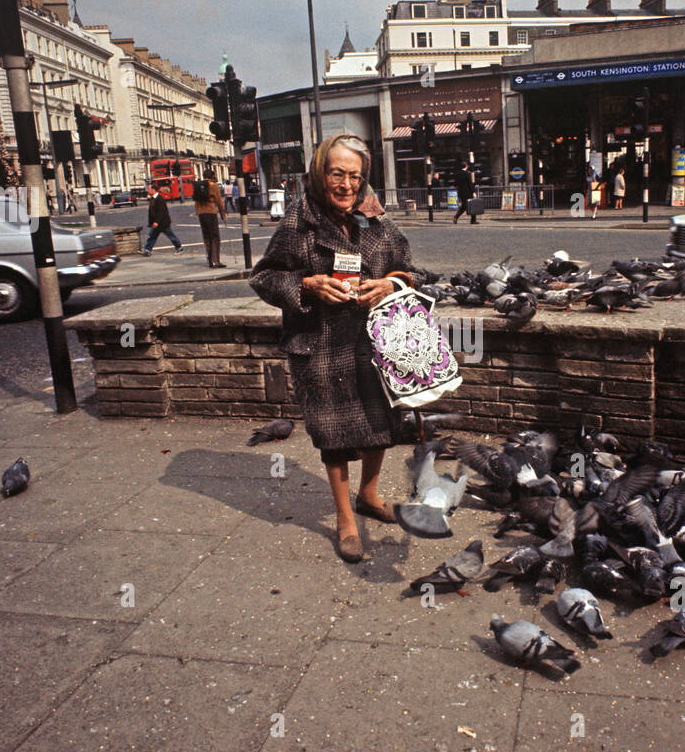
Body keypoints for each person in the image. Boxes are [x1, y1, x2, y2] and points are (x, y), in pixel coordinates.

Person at [249, 134, 415, 563]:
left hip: (373, 341)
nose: (345, 184)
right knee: (334, 434)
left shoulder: (377, 220)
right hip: (319, 344)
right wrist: (307, 284)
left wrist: (390, 283)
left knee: (381, 422)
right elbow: (264, 277)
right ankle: (345, 518)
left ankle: (370, 495)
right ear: (320, 173)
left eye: (354, 177)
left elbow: (411, 271)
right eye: (337, 174)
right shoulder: (298, 222)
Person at [193, 172, 227, 268]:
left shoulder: (198, 185)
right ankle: (215, 261)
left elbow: (196, 201)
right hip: (211, 212)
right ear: (213, 177)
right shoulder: (213, 186)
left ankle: (210, 260)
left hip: (201, 213)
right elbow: (219, 200)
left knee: (206, 237)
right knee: (215, 237)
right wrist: (222, 212)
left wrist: (199, 211)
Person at [142, 182, 182, 256]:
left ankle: (179, 247)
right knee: (152, 236)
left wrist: (156, 222)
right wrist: (151, 222)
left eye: (149, 189)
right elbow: (151, 212)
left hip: (163, 223)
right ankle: (147, 250)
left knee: (171, 236)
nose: (148, 190)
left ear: (154, 190)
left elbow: (161, 212)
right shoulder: (153, 199)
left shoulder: (159, 199)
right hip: (156, 223)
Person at [452, 160, 475, 224]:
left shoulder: (457, 174)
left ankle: (456, 216)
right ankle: (473, 220)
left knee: (464, 206)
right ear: (466, 166)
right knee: (472, 205)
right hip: (468, 192)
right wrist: (473, 192)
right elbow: (470, 184)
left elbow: (455, 184)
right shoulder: (467, 174)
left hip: (461, 193)